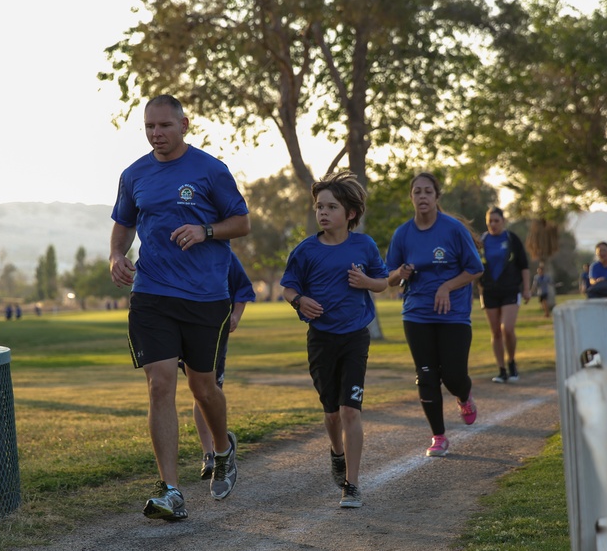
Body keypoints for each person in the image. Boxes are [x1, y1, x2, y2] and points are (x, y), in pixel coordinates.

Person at [110, 94, 250, 521]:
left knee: (203, 388)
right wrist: (117, 256)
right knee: (159, 385)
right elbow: (122, 225)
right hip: (152, 294)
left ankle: (223, 449)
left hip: (205, 297)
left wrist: (206, 229)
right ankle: (170, 489)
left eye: (164, 126)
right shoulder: (134, 175)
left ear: (184, 125)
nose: (156, 134)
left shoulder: (211, 170)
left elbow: (241, 223)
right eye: (150, 127)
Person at [280, 171, 388, 509]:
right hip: (321, 339)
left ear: (350, 214)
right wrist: (300, 301)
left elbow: (383, 283)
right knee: (331, 415)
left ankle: (352, 485)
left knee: (350, 411)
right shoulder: (306, 251)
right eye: (319, 207)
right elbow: (288, 288)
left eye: (331, 207)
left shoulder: (364, 245)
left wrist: (365, 281)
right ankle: (336, 452)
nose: (323, 213)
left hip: (356, 336)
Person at [385, 172, 484, 458]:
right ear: (412, 197)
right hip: (416, 314)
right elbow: (388, 277)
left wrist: (446, 286)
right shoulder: (402, 234)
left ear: (437, 197)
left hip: (453, 316)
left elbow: (475, 269)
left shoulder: (453, 230)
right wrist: (400, 273)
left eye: (428, 191)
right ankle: (438, 436)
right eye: (417, 192)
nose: (422, 196)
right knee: (426, 376)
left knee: (453, 376)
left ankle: (464, 397)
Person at [186, 253, 256, 480]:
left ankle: (218, 450)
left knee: (207, 390)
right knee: (197, 390)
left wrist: (236, 315)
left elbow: (243, 288)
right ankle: (208, 454)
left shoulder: (223, 253)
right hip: (182, 323)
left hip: (214, 328)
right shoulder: (173, 252)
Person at [478, 206, 530, 384]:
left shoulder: (511, 239)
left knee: (506, 328)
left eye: (496, 221)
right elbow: (474, 268)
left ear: (503, 221)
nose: (492, 224)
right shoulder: (482, 241)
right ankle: (501, 369)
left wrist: (527, 288)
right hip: (489, 291)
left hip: (510, 289)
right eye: (489, 221)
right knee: (495, 332)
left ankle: (512, 362)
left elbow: (524, 265)